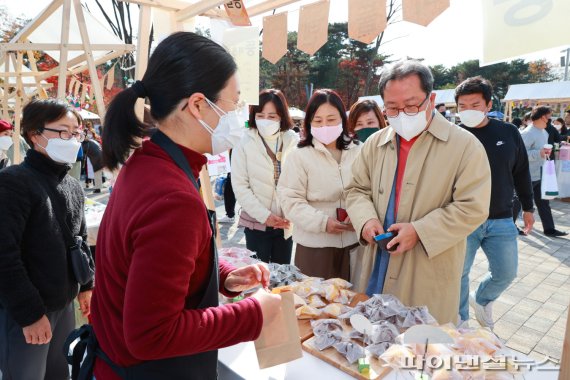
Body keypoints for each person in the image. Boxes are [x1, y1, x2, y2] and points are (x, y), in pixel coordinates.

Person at [87, 32, 280, 380]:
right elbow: (151, 334)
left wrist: (221, 276)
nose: (239, 118)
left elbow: (150, 264)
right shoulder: (172, 197)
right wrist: (254, 314)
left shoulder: (149, 160)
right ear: (197, 105)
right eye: (234, 105)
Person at [345, 60, 491, 325]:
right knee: (369, 341)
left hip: (426, 268)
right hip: (376, 262)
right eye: (392, 108)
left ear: (431, 99)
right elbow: (356, 189)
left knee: (419, 349)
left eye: (412, 105)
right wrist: (365, 219)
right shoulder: (376, 142)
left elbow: (473, 207)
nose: (402, 114)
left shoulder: (464, 146)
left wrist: (421, 231)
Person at [0, 99, 93, 379]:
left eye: (77, 132)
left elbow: (80, 238)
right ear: (35, 134)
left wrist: (86, 285)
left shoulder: (72, 184)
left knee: (58, 374)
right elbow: (4, 256)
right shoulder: (12, 182)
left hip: (61, 304)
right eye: (63, 131)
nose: (73, 138)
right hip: (25, 311)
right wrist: (29, 314)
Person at [454, 77, 534, 329]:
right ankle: (460, 320)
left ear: (488, 104)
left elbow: (521, 171)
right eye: (462, 106)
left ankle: (483, 299)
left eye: (475, 104)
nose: (468, 111)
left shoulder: (508, 132)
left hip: (501, 217)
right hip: (462, 219)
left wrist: (528, 207)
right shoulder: (453, 136)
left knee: (506, 272)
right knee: (458, 274)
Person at [278, 89, 361, 281]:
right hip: (315, 246)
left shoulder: (359, 150)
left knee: (354, 302)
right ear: (309, 123)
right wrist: (322, 223)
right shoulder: (299, 156)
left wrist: (360, 216)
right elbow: (290, 200)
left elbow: (369, 191)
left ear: (342, 118)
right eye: (318, 120)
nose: (325, 125)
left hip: (354, 242)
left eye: (331, 119)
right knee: (317, 305)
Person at [232, 89, 298, 264]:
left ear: (281, 116)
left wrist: (293, 213)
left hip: (285, 224)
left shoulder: (293, 140)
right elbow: (240, 185)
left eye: (272, 116)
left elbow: (300, 181)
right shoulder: (244, 141)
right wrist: (264, 216)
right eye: (260, 115)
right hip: (256, 223)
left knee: (283, 277)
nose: (265, 121)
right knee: (257, 277)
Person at [514, 106, 568, 237]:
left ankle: (549, 229)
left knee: (544, 203)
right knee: (518, 202)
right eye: (549, 116)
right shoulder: (528, 133)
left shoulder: (543, 131)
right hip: (527, 176)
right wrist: (539, 153)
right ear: (543, 117)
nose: (550, 119)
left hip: (540, 173)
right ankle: (509, 226)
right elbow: (519, 154)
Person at [219, 150, 237, 224]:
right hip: (234, 164)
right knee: (230, 190)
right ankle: (230, 215)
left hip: (236, 164)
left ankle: (230, 215)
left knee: (229, 190)